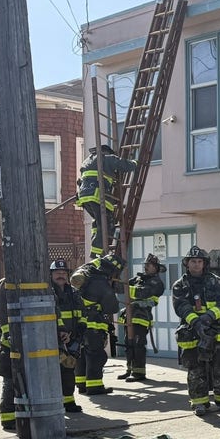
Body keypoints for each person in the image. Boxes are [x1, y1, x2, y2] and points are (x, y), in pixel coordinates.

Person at [171, 246, 220, 415]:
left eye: (200, 261)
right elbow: (181, 307)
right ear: (187, 263)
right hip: (192, 330)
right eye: (193, 261)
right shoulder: (180, 285)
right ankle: (199, 402)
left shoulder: (216, 281)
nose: (197, 265)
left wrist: (208, 317)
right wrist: (197, 323)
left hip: (217, 328)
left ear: (205, 264)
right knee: (195, 368)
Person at [72, 253, 124, 397]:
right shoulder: (101, 283)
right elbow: (112, 308)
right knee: (96, 356)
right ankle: (95, 386)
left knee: (82, 355)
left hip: (80, 325)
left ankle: (82, 385)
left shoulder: (87, 276)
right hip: (94, 326)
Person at [76, 145, 138, 257]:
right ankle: (98, 254)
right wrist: (135, 163)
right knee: (107, 224)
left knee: (98, 223)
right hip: (96, 197)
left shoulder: (87, 161)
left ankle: (96, 251)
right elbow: (124, 165)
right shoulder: (107, 158)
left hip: (84, 198)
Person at [118, 253, 166, 383]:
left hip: (142, 317)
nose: (146, 267)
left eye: (148, 265)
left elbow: (141, 293)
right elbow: (123, 286)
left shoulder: (156, 282)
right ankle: (129, 369)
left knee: (138, 344)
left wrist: (126, 288)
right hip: (130, 316)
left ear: (156, 267)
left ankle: (139, 373)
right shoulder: (139, 279)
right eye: (145, 264)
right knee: (129, 344)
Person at [50, 259, 84, 413]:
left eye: (63, 273)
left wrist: (78, 336)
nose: (61, 276)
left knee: (68, 371)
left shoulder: (74, 293)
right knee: (51, 372)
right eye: (57, 273)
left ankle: (69, 402)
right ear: (51, 275)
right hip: (52, 340)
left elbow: (81, 315)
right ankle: (53, 403)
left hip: (71, 339)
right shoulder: (47, 292)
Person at [0, 279, 15, 431]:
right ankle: (8, 419)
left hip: (31, 342)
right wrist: (8, 333)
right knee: (10, 382)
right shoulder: (6, 282)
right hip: (9, 344)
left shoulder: (34, 278)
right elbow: (0, 311)